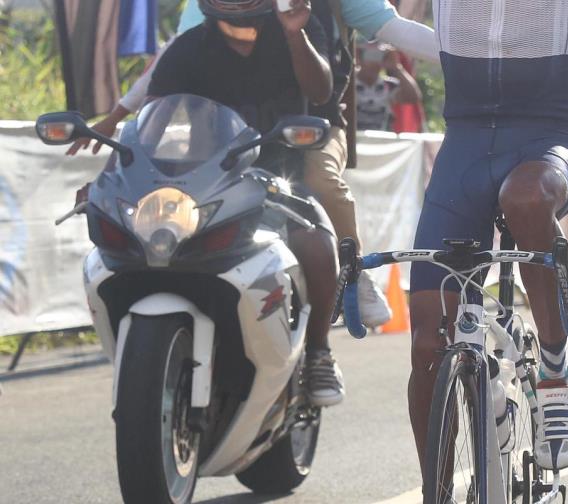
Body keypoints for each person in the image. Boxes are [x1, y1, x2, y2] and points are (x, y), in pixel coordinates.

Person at [66, 0, 439, 329]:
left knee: (318, 188)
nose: (236, 13)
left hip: (308, 131)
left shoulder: (302, 27)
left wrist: (475, 55)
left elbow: (340, 75)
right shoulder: (192, 40)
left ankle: (344, 287)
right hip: (223, 139)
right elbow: (161, 82)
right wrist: (116, 126)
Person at [404, 0, 568, 473]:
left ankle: (553, 373)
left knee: (526, 199)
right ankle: (438, 491)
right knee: (429, 345)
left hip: (544, 145)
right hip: (463, 151)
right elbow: (384, 19)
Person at [143, 0, 343, 405]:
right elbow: (150, 124)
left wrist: (294, 34)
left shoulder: (301, 29)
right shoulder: (187, 48)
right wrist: (113, 174)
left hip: (277, 179)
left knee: (316, 242)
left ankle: (319, 351)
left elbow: (320, 92)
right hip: (201, 183)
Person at [355, 42, 422, 131]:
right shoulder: (350, 82)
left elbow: (413, 97)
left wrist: (396, 68)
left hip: (379, 141)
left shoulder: (388, 85)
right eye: (369, 55)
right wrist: (354, 62)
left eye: (377, 55)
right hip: (354, 139)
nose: (373, 61)